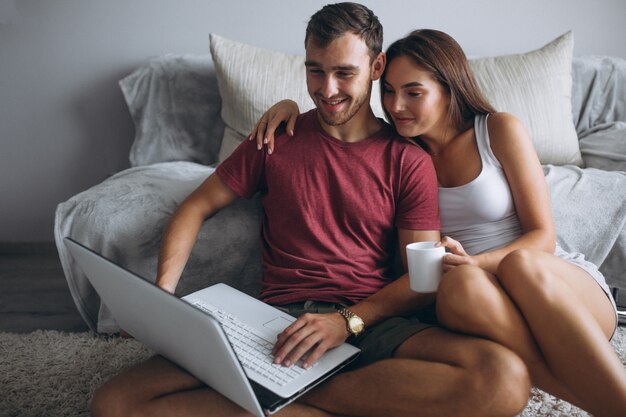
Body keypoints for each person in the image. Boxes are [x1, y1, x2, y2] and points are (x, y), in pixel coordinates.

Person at [90, 4, 531, 417]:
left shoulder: (407, 160)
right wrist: (163, 296)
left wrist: (346, 321)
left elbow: (423, 280)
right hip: (274, 323)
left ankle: (280, 392)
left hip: (367, 322)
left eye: (344, 72)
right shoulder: (274, 137)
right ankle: (307, 390)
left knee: (503, 378)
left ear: (377, 68)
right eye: (315, 71)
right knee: (115, 402)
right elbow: (194, 208)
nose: (327, 89)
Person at [252, 28, 626, 417]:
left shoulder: (496, 130)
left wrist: (475, 262)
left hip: (555, 291)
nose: (397, 106)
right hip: (477, 302)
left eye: (414, 93)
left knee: (517, 265)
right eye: (390, 92)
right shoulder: (399, 153)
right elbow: (344, 127)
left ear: (450, 87)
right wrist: (288, 106)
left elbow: (543, 237)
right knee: (458, 284)